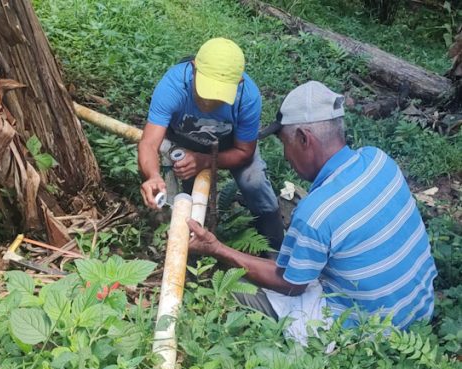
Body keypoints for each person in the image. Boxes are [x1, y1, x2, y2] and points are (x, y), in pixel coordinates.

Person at [186, 80, 437, 342]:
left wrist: (217, 249)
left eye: (285, 143)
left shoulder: (316, 213)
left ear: (304, 139)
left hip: (373, 334)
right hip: (418, 312)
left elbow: (291, 285)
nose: (285, 155)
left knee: (226, 284)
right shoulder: (378, 159)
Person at [138, 37, 284, 255]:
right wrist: (152, 175)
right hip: (181, 141)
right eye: (205, 91)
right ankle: (168, 237)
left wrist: (204, 161)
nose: (208, 102)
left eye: (218, 95)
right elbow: (149, 142)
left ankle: (272, 243)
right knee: (170, 188)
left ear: (238, 84)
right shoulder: (174, 85)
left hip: (229, 146)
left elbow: (245, 152)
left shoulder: (247, 97)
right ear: (194, 68)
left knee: (254, 181)